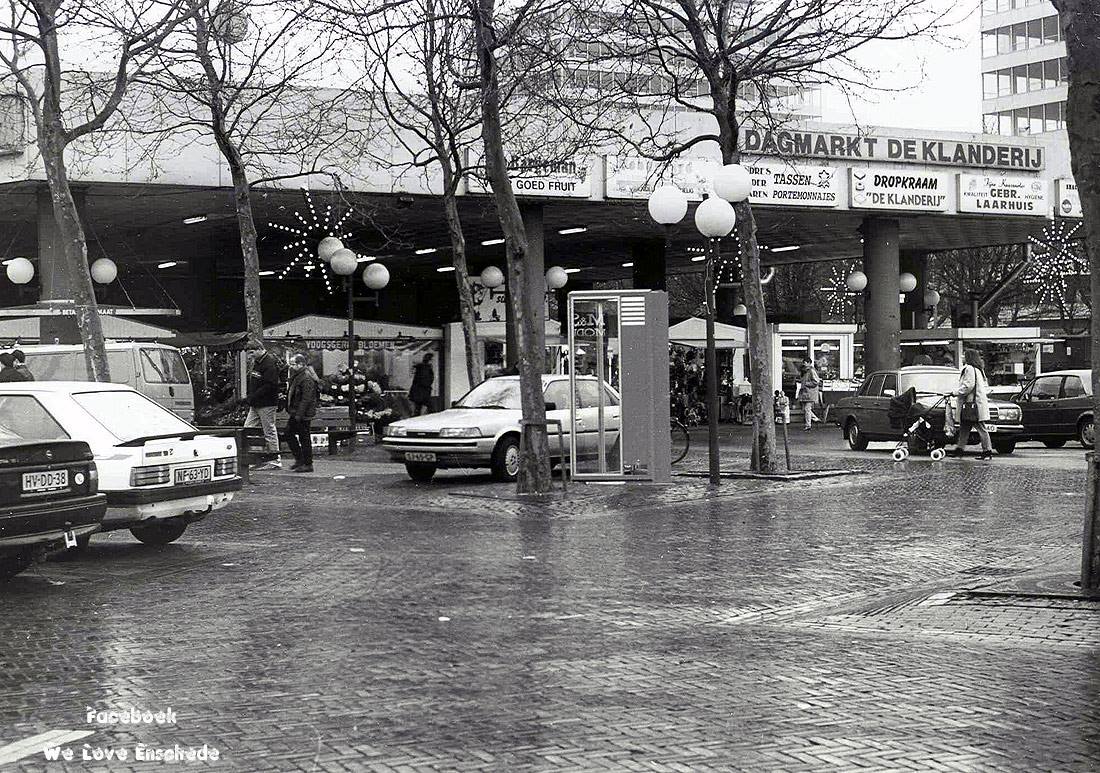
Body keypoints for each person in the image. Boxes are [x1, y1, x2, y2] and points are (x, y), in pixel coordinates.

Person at [242, 342, 283, 470]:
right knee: (248, 429)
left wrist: (252, 397)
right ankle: (256, 458)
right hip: (256, 403)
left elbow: (270, 385)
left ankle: (275, 459)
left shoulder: (269, 364)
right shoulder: (258, 362)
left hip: (267, 403)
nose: (250, 356)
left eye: (252, 352)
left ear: (260, 349)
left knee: (269, 430)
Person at [948, 348, 993, 460]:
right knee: (964, 428)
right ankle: (959, 450)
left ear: (968, 357)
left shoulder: (969, 369)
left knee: (980, 427)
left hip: (971, 405)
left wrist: (955, 393)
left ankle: (987, 451)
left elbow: (968, 386)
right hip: (976, 404)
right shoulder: (978, 369)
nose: (962, 357)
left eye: (964, 355)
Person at [285, 354, 319, 473]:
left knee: (302, 437)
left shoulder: (305, 377)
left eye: (293, 364)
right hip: (297, 412)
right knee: (292, 434)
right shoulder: (299, 376)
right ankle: (301, 460)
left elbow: (306, 399)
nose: (291, 366)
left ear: (301, 364)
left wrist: (299, 414)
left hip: (302, 413)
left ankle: (307, 463)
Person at [797, 357, 821, 431]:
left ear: (809, 363)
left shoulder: (811, 371)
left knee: (807, 409)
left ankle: (808, 425)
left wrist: (806, 384)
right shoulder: (805, 371)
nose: (804, 364)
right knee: (805, 409)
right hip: (806, 392)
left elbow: (816, 381)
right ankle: (815, 419)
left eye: (805, 362)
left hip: (810, 392)